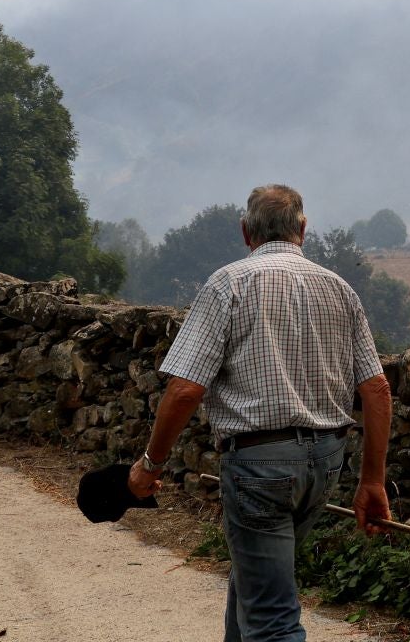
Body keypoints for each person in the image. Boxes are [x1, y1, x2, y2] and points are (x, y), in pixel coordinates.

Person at [128, 184, 395, 642]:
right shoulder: (339, 288)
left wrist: (149, 464)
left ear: (246, 231)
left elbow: (186, 390)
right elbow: (376, 390)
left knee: (272, 619)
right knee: (255, 582)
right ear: (303, 230)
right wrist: (371, 481)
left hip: (259, 467)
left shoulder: (228, 284)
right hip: (324, 465)